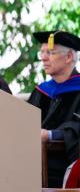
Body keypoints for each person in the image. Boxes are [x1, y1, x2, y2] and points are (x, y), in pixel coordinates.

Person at [27, 30, 80, 188]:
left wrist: (50, 135)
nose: (43, 58)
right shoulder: (41, 91)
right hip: (31, 165)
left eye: (50, 52)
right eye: (42, 52)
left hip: (65, 170)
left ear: (69, 57)